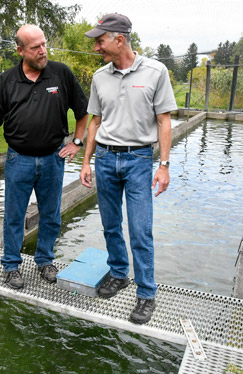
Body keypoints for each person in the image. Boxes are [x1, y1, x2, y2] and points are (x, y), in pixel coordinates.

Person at [0, 24, 89, 289]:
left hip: (53, 159)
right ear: (20, 50)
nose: (43, 51)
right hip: (18, 159)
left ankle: (45, 261)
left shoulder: (61, 74)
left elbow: (82, 111)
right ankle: (11, 267)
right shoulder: (7, 80)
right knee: (14, 215)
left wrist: (77, 142)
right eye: (35, 47)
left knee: (51, 214)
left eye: (44, 44)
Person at [81, 13, 177, 324]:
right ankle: (120, 273)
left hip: (138, 160)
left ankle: (146, 293)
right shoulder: (99, 77)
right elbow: (95, 121)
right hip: (106, 159)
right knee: (110, 225)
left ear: (119, 39)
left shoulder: (155, 71)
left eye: (100, 40)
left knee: (140, 230)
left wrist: (163, 165)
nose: (97, 47)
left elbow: (164, 120)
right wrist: (86, 161)